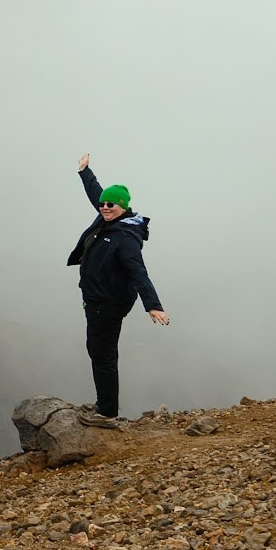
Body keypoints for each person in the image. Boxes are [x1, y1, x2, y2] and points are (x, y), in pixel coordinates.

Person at [67, 153, 168, 418]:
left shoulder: (125, 237)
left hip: (108, 303)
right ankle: (105, 405)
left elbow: (139, 273)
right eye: (104, 204)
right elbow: (96, 195)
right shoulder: (108, 218)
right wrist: (85, 172)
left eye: (111, 204)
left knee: (103, 354)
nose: (105, 206)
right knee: (98, 350)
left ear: (123, 207)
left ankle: (106, 412)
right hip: (98, 299)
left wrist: (153, 305)